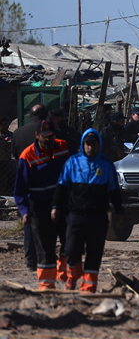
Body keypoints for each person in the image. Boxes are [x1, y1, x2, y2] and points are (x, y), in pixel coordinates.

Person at [53, 128, 124, 293]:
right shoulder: (72, 162)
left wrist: (119, 211)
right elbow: (61, 187)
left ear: (99, 145)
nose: (90, 147)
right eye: (87, 144)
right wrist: (55, 207)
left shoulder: (106, 164)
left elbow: (114, 190)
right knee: (71, 249)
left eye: (94, 144)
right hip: (75, 216)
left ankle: (88, 287)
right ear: (82, 145)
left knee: (94, 253)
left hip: (98, 217)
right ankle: (73, 274)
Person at [14, 119, 72, 290]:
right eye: (45, 137)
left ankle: (66, 274)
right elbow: (20, 190)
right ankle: (47, 284)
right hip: (40, 207)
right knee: (45, 247)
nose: (49, 140)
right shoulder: (28, 156)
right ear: (37, 135)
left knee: (70, 241)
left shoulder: (63, 147)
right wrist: (24, 212)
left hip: (63, 204)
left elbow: (78, 163)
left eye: (52, 136)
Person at [13, 104, 48, 273]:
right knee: (47, 225)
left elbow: (14, 156)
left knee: (28, 222)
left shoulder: (18, 133)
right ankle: (45, 258)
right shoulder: (48, 132)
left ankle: (30, 260)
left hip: (25, 181)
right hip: (45, 182)